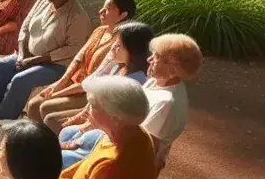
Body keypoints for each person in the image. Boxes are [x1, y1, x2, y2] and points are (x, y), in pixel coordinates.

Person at [0, 0, 91, 147]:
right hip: (26, 55)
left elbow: (71, 50)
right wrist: (22, 55)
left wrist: (34, 61)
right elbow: (25, 28)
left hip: (55, 65)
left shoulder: (78, 17)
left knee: (21, 79)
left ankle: (4, 127)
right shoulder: (43, 1)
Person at [59, 32, 200, 168]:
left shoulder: (166, 103)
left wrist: (100, 127)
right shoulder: (156, 81)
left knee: (60, 158)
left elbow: (140, 149)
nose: (149, 60)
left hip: (120, 153)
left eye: (156, 57)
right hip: (114, 137)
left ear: (173, 69)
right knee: (67, 133)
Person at [24, 0, 138, 129]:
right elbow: (78, 59)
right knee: (34, 103)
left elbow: (95, 79)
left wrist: (57, 93)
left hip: (89, 92)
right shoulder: (99, 31)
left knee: (46, 106)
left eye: (108, 8)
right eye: (103, 6)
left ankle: (48, 146)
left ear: (122, 15)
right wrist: (60, 84)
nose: (101, 11)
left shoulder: (120, 43)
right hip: (74, 83)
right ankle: (30, 142)